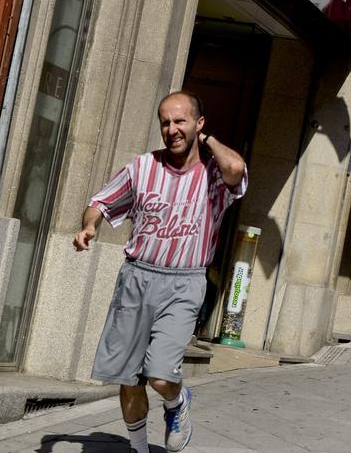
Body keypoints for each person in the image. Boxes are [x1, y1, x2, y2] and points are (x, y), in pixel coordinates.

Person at [74, 91, 248, 453]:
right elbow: (100, 202)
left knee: (160, 373)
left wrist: (208, 141)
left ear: (198, 124)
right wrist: (91, 226)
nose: (172, 129)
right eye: (165, 123)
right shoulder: (142, 167)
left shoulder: (214, 175)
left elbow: (236, 169)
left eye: (180, 121)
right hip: (137, 278)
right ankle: (138, 448)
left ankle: (177, 401)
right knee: (128, 377)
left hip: (184, 283)